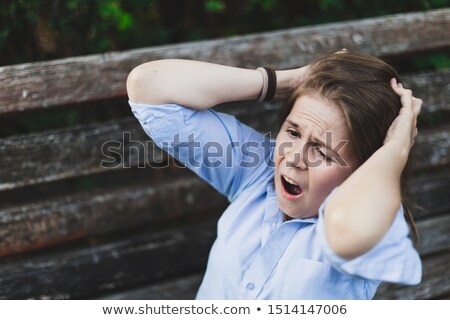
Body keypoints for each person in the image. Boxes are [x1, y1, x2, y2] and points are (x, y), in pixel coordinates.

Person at [126, 50, 422, 299]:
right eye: (293, 131)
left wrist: (396, 147)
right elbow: (148, 87)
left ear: (363, 169)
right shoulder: (258, 171)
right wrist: (285, 81)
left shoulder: (370, 226)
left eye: (322, 150)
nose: (293, 159)